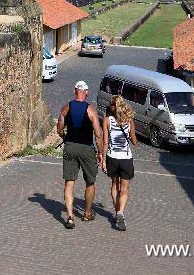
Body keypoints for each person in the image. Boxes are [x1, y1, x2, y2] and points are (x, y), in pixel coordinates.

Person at [57, 80, 103, 230]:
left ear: (74, 91)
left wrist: (66, 139)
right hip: (87, 148)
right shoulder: (91, 111)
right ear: (87, 93)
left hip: (70, 147)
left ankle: (70, 217)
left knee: (69, 182)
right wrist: (101, 152)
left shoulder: (66, 108)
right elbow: (98, 134)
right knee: (90, 181)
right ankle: (87, 213)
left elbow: (59, 129)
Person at [102, 95, 137, 231]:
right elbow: (134, 141)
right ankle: (121, 213)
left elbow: (105, 142)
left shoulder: (107, 121)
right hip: (126, 158)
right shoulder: (129, 120)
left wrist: (103, 160)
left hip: (112, 157)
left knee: (114, 185)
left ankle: (117, 212)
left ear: (113, 106)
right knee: (124, 189)